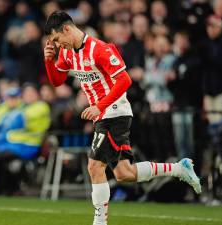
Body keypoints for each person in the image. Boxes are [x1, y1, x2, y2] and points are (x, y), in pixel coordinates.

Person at [43, 11, 201, 225]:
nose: (57, 44)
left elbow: (125, 80)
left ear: (67, 29)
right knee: (124, 173)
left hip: (114, 112)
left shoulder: (99, 49)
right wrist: (48, 60)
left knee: (94, 166)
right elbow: (57, 81)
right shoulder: (68, 53)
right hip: (104, 114)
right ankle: (179, 168)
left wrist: (100, 105)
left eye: (56, 39)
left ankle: (100, 222)